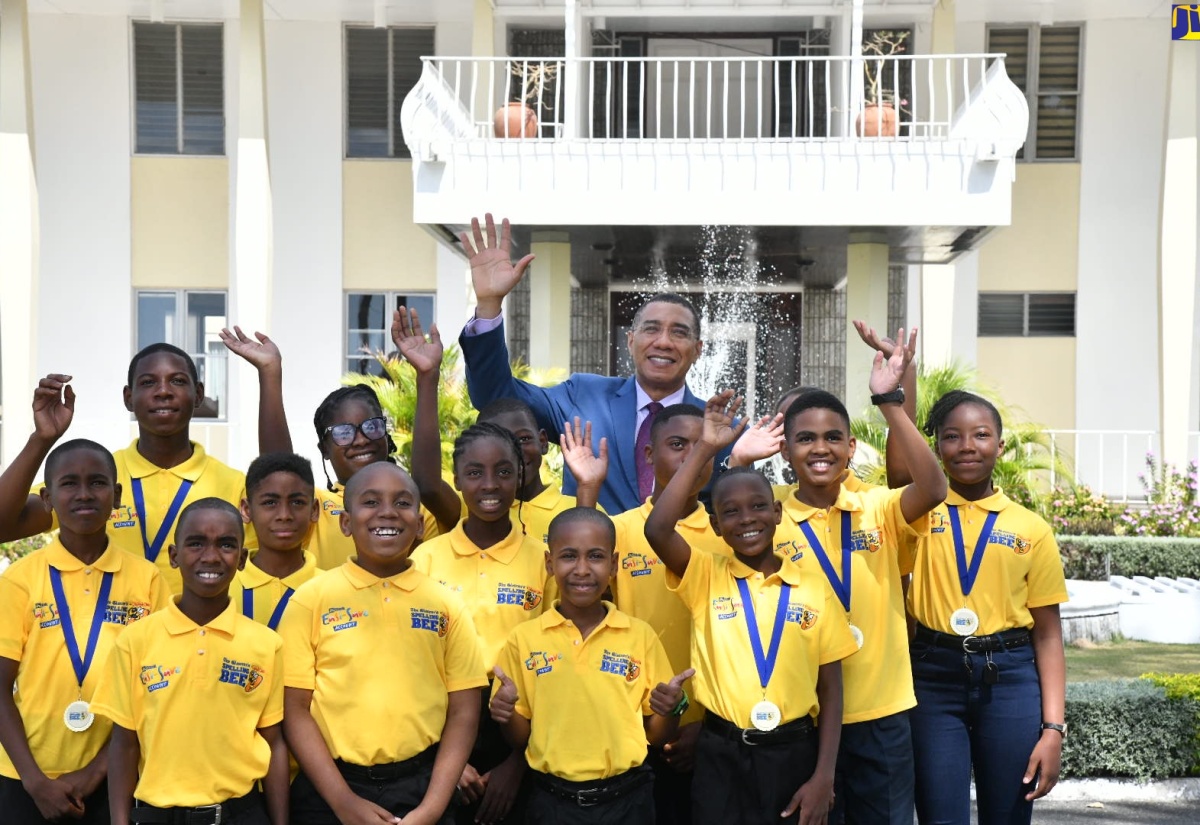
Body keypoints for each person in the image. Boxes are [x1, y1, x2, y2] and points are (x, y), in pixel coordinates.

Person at [644, 392, 857, 825]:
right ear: (716, 526)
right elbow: (658, 527)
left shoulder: (813, 588)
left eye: (759, 506)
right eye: (731, 513)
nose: (747, 519)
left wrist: (824, 776)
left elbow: (831, 689)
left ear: (777, 512)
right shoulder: (704, 575)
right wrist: (706, 446)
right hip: (720, 753)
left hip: (795, 751)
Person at [773, 328, 947, 825]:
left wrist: (889, 401)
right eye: (804, 439)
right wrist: (739, 457)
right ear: (784, 451)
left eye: (832, 438)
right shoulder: (766, 515)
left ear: (851, 447)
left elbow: (933, 487)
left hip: (880, 710)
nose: (819, 449)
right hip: (800, 713)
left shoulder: (878, 506)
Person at [456, 214, 732, 514]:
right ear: (630, 341)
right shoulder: (583, 395)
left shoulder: (718, 430)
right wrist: (488, 305)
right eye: (651, 329)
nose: (663, 342)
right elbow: (494, 397)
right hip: (593, 556)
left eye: (679, 333)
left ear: (698, 349)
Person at [0, 376, 170, 825]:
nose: (83, 494)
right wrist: (35, 781)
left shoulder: (147, 579)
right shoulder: (20, 579)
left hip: (115, 776)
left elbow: (151, 687)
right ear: (47, 498)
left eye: (97, 483)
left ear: (116, 498)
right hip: (24, 776)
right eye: (69, 484)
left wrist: (97, 771)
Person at [279, 462, 485, 825]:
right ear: (346, 522)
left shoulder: (446, 603)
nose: (387, 512)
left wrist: (432, 808)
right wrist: (343, 802)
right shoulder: (311, 600)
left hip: (423, 785)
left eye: (403, 503)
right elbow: (295, 710)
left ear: (421, 524)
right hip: (331, 789)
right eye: (371, 502)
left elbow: (465, 711)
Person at [404, 313, 549, 825]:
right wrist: (447, 760)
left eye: (503, 472)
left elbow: (557, 663)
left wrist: (519, 763)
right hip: (444, 735)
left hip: (525, 733)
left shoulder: (545, 560)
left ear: (520, 477)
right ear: (458, 481)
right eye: (475, 473)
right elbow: (410, 666)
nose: (490, 484)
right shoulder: (425, 559)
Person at [906, 390, 1067, 825]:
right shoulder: (915, 514)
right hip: (932, 677)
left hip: (1010, 678)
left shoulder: (1030, 529)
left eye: (981, 435)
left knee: (1009, 815)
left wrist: (1053, 729)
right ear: (936, 446)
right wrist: (897, 383)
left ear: (1000, 444)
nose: (967, 446)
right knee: (940, 816)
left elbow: (1049, 634)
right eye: (952, 436)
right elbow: (899, 466)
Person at [91, 498, 288, 825]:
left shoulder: (266, 644)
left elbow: (274, 743)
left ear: (242, 559)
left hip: (240, 814)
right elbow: (124, 745)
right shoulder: (135, 641)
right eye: (196, 544)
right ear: (174, 556)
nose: (211, 556)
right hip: (157, 815)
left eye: (226, 545)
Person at [489, 507, 689, 825]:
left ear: (613, 564)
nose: (582, 569)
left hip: (628, 801)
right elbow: (519, 738)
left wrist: (671, 708)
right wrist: (506, 713)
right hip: (551, 803)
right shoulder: (524, 639)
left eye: (595, 556)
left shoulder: (639, 636)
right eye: (569, 556)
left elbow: (657, 735)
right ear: (549, 564)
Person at [0, 345, 251, 596]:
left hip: (195, 632)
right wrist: (41, 439)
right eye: (148, 382)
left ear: (197, 394)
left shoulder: (233, 483)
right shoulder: (95, 478)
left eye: (177, 381)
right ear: (128, 398)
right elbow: (4, 525)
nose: (163, 391)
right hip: (108, 633)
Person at [219, 327, 439, 570]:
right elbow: (278, 471)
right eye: (344, 433)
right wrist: (270, 373)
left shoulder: (413, 505)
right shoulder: (315, 506)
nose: (361, 439)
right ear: (324, 449)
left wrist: (427, 377)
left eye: (372, 426)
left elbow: (430, 488)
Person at [609, 403, 728, 825]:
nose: (690, 457)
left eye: (703, 448)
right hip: (632, 728)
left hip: (710, 729)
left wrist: (707, 725)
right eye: (678, 445)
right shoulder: (618, 530)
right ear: (648, 453)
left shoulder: (727, 534)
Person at [233, 453, 322, 631]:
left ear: (314, 510)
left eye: (297, 502)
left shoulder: (331, 588)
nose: (284, 515)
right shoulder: (224, 586)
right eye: (270, 503)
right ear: (246, 510)